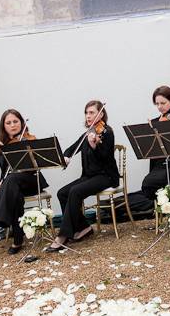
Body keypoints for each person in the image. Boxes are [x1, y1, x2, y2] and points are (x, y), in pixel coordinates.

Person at [46, 100, 118, 252]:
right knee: (62, 193)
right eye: (86, 113)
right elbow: (71, 149)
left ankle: (63, 235)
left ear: (101, 114)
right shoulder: (88, 133)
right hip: (89, 176)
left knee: (75, 192)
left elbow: (106, 157)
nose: (88, 116)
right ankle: (84, 227)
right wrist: (66, 157)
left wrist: (94, 146)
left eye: (92, 112)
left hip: (105, 176)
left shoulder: (107, 132)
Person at [0, 109, 48, 254]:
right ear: (3, 126)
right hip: (12, 185)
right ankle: (18, 239)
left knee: (11, 180)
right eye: (8, 123)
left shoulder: (29, 140)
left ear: (21, 123)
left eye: (15, 121)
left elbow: (37, 165)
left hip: (31, 181)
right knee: (14, 192)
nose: (13, 125)